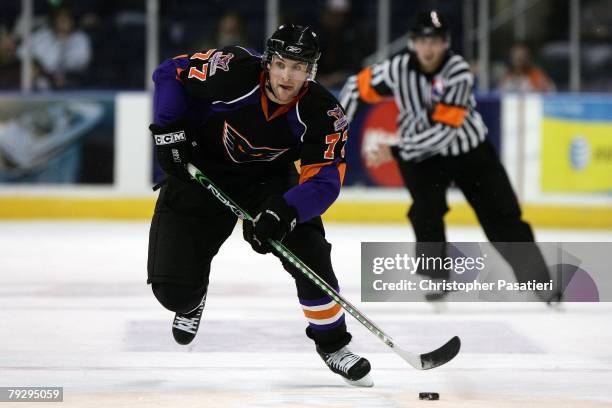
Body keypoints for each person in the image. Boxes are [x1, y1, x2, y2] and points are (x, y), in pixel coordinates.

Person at [147, 24, 373, 387]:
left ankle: (333, 346)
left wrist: (285, 210)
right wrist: (169, 129)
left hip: (269, 180)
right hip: (201, 169)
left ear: (310, 72)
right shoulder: (232, 70)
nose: (288, 76)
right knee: (172, 293)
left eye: (299, 68)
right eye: (282, 64)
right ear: (268, 62)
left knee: (309, 251)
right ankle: (191, 301)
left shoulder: (323, 112)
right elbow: (169, 72)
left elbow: (325, 180)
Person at [340, 11, 559, 302]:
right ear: (412, 42)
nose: (428, 48)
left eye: (436, 41)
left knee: (502, 218)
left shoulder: (458, 71)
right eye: (422, 41)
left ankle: (540, 283)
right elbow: (355, 88)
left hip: (469, 154)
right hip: (422, 158)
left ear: (446, 43)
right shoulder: (397, 68)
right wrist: (337, 130)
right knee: (426, 212)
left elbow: (443, 133)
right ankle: (435, 277)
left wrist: (395, 150)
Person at [17, 5, 91, 90]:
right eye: (60, 18)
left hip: (71, 79)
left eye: (66, 18)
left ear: (72, 21)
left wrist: (64, 43)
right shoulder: (43, 35)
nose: (63, 21)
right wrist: (36, 65)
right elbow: (21, 51)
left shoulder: (80, 38)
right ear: (54, 20)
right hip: (42, 77)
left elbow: (82, 62)